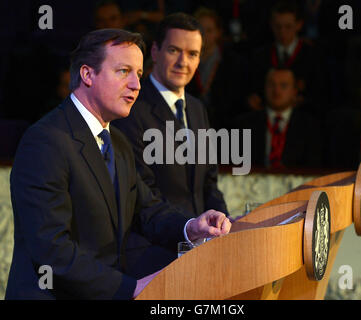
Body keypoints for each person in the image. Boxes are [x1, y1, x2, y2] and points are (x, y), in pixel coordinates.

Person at [5, 28, 231, 300]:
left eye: (138, 73)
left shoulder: (119, 142)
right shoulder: (46, 140)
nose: (136, 84)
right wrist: (129, 287)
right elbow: (51, 249)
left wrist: (192, 226)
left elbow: (147, 210)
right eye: (124, 71)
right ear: (88, 75)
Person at [112, 13, 229, 274]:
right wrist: (189, 228)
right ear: (155, 50)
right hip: (150, 258)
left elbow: (209, 183)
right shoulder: (131, 108)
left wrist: (225, 225)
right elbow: (142, 195)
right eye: (174, 50)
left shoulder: (198, 109)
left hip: (200, 256)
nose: (182, 62)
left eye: (192, 54)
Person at [248, 0, 327, 116]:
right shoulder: (260, 56)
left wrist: (304, 101)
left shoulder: (313, 55)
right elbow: (254, 89)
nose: (282, 32)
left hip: (303, 117)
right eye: (278, 27)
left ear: (299, 25)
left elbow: (322, 94)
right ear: (271, 25)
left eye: (288, 27)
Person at [235, 67, 322, 168]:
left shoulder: (310, 127)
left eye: (283, 85)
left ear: (294, 91)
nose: (276, 90)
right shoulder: (243, 124)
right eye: (271, 85)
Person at [186, 7, 248, 129]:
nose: (203, 35)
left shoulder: (232, 62)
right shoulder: (183, 61)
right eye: (200, 30)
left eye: (209, 30)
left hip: (225, 127)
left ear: (218, 33)